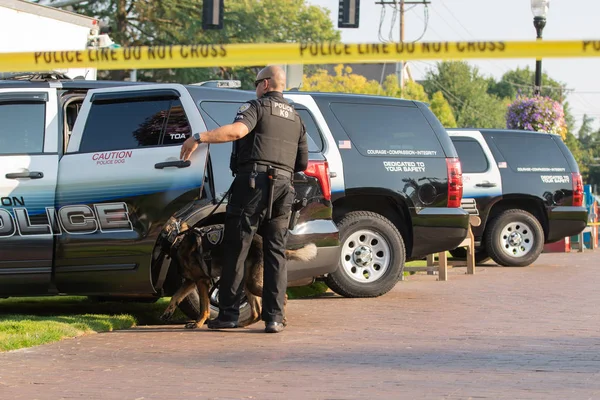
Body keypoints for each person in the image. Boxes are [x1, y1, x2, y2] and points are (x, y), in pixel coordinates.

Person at [179, 65, 308, 333]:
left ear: (266, 83)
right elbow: (302, 162)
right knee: (275, 254)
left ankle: (227, 315)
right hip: (284, 188)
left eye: (257, 81)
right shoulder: (296, 117)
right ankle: (274, 318)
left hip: (252, 185)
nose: (255, 86)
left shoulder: (256, 107)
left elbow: (237, 132)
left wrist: (198, 138)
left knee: (236, 248)